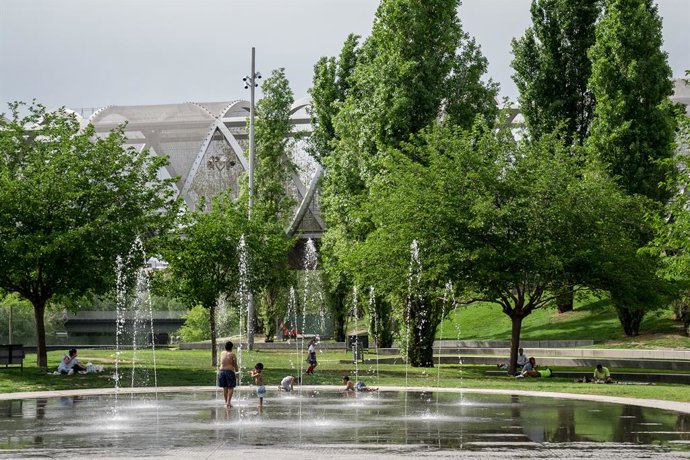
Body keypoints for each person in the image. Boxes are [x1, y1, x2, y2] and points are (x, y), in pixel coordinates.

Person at [218, 341, 239, 408]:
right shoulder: (232, 354)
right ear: (231, 347)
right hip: (229, 372)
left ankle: (226, 402)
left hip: (221, 372)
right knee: (230, 387)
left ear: (225, 347)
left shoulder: (222, 353)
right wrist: (237, 372)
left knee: (225, 387)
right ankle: (228, 402)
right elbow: (235, 364)